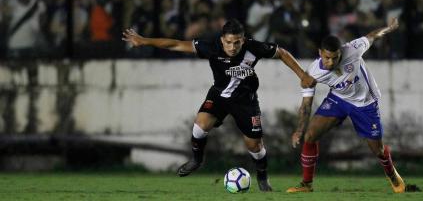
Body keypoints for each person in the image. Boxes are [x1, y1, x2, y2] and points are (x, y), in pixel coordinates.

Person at [122, 19, 314, 192]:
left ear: (243, 39)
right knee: (201, 124)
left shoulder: (254, 48)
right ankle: (197, 159)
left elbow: (281, 53)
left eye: (237, 42)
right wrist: (144, 40)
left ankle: (262, 177)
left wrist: (302, 75)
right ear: (222, 39)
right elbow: (176, 44)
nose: (232, 47)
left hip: (245, 101)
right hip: (219, 95)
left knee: (254, 144)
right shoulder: (211, 47)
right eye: (228, 42)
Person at [286, 17, 406, 194]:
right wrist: (299, 129)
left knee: (377, 150)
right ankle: (306, 184)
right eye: (327, 58)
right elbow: (306, 105)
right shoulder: (313, 72)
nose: (331, 62)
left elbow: (373, 35)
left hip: (365, 102)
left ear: (341, 52)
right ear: (320, 53)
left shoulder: (353, 49)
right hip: (339, 99)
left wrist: (389, 28)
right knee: (310, 135)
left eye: (335, 58)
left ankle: (392, 174)